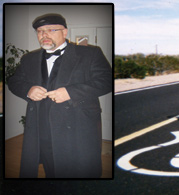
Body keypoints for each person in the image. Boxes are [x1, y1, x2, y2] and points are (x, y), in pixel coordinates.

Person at [8, 13, 112, 178]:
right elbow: (14, 82)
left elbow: (106, 81)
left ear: (65, 32)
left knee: (82, 170)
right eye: (40, 31)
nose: (45, 35)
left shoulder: (90, 54)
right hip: (42, 127)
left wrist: (71, 92)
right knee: (51, 167)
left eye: (51, 29)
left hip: (78, 125)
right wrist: (28, 90)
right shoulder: (29, 59)